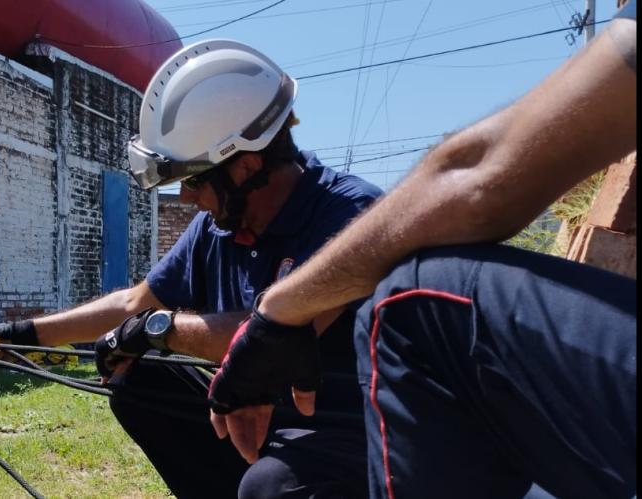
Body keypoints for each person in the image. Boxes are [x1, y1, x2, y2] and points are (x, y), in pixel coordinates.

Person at [208, 3, 637, 499]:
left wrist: (276, 313)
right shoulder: (213, 232)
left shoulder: (341, 202)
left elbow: (478, 177)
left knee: (411, 303)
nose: (193, 199)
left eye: (196, 183)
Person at [0, 40, 383, 498]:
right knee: (138, 378)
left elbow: (270, 337)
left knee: (269, 487)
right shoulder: (219, 225)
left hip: (346, 431)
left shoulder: (351, 216)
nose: (186, 197)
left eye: (194, 179)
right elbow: (133, 304)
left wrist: (157, 328)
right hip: (251, 408)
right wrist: (17, 336)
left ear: (246, 167)